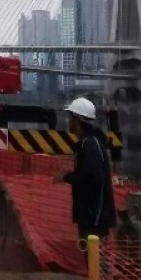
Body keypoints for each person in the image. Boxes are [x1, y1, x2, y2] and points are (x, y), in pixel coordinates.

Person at [54, 97, 117, 249]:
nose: (68, 122)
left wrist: (66, 176)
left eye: (70, 118)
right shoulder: (88, 143)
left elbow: (93, 178)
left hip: (94, 216)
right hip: (90, 214)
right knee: (93, 262)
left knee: (95, 260)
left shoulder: (90, 145)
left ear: (77, 120)